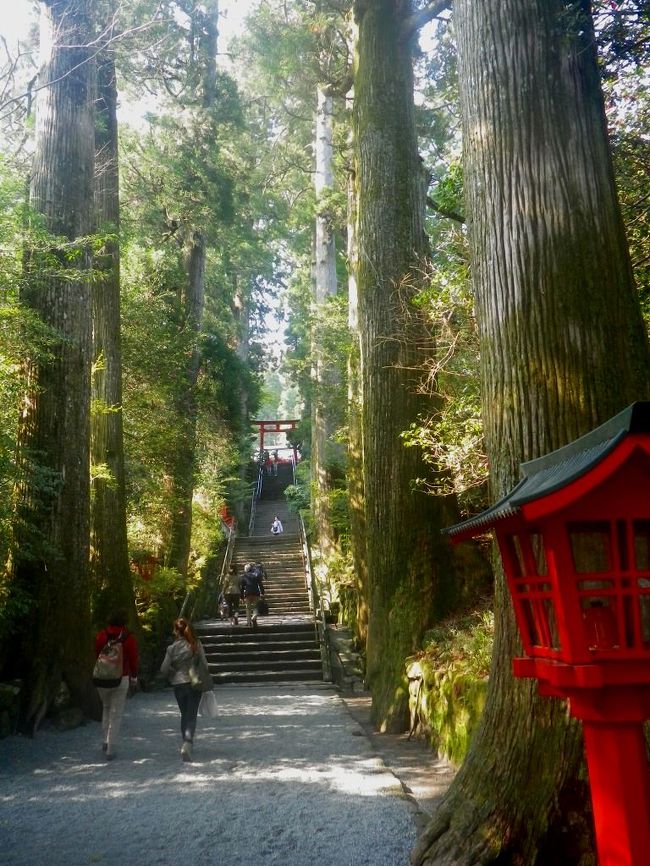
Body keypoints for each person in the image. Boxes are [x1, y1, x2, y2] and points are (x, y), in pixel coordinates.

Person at [160, 617, 211, 762]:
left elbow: (163, 669)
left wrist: (173, 672)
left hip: (178, 684)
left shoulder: (171, 648)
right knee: (191, 715)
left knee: (184, 714)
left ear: (176, 631)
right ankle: (187, 743)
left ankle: (186, 742)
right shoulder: (195, 644)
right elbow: (205, 665)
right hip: (194, 682)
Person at [94, 610, 139, 761]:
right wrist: (134, 676)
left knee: (106, 708)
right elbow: (133, 658)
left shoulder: (101, 635)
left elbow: (96, 654)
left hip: (102, 677)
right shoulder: (128, 637)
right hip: (121, 677)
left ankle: (106, 741)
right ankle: (111, 748)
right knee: (116, 713)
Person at [239, 563, 265, 628]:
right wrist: (262, 593)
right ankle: (254, 617)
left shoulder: (244, 576)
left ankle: (248, 622)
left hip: (248, 593)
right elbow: (260, 584)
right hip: (256, 592)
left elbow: (242, 587)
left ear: (246, 569)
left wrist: (241, 596)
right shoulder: (256, 575)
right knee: (255, 607)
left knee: (248, 608)